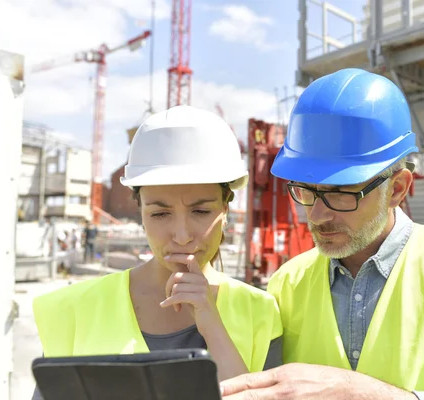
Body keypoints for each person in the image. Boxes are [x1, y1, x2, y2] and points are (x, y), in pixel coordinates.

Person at [221, 68, 424, 399]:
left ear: (398, 188)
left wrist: (358, 393)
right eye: (306, 190)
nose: (316, 214)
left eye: (341, 192)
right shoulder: (286, 284)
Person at [31, 106, 283, 399]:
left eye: (201, 211)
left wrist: (212, 324)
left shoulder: (260, 313)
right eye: (160, 214)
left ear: (226, 208)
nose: (181, 235)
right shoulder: (75, 309)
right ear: (140, 210)